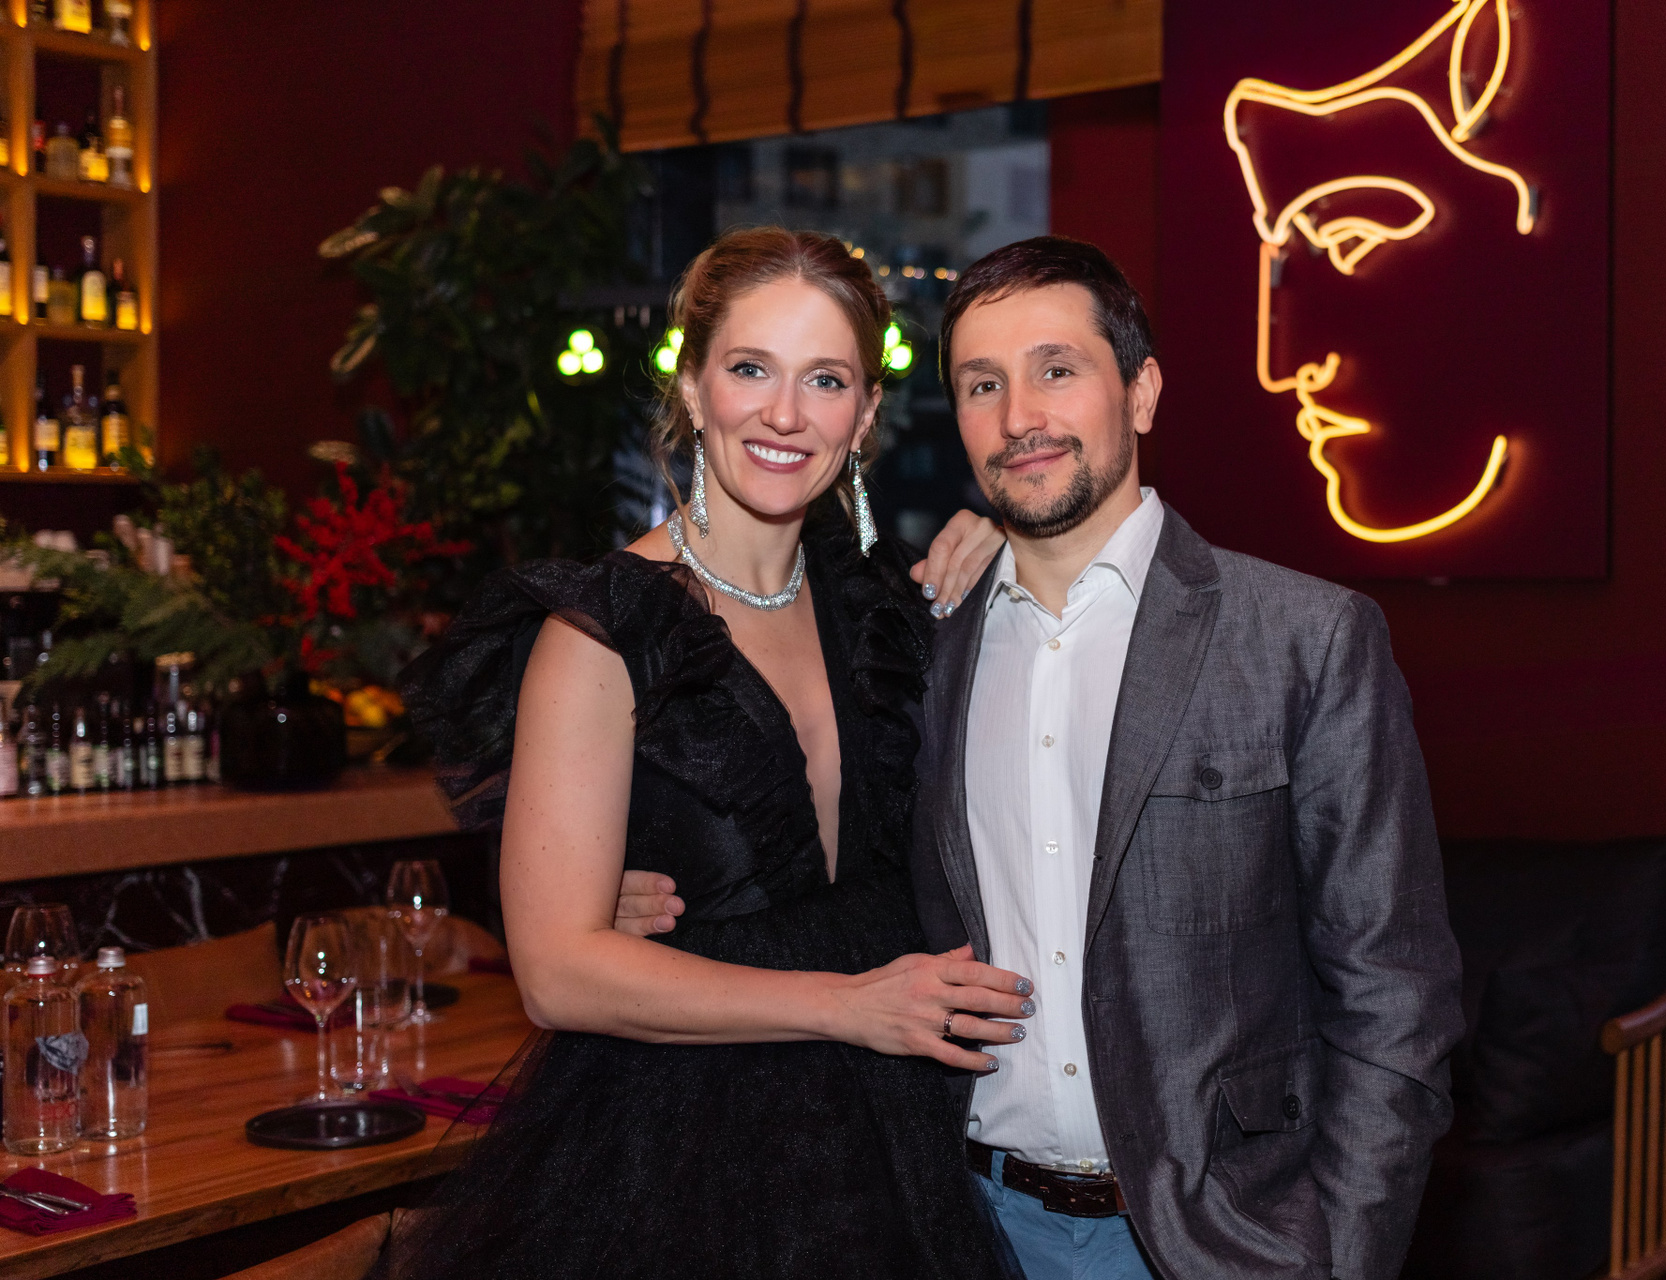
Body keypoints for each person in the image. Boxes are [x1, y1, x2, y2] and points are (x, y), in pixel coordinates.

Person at [620, 237, 1465, 1280]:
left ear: (1141, 391)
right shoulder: (916, 642)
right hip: (963, 1226)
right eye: (984, 384)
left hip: (1224, 1244)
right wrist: (652, 885)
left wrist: (1342, 1257)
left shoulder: (1303, 639)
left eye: (1056, 369)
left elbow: (1395, 997)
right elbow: (832, 862)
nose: (1020, 415)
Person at [375, 227, 1028, 1280]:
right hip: (681, 1150)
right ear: (691, 387)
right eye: (750, 369)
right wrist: (847, 1003)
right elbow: (557, 973)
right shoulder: (603, 633)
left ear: (865, 414)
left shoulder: (887, 611)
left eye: (825, 380)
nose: (784, 413)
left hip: (892, 1144)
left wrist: (1014, 542)